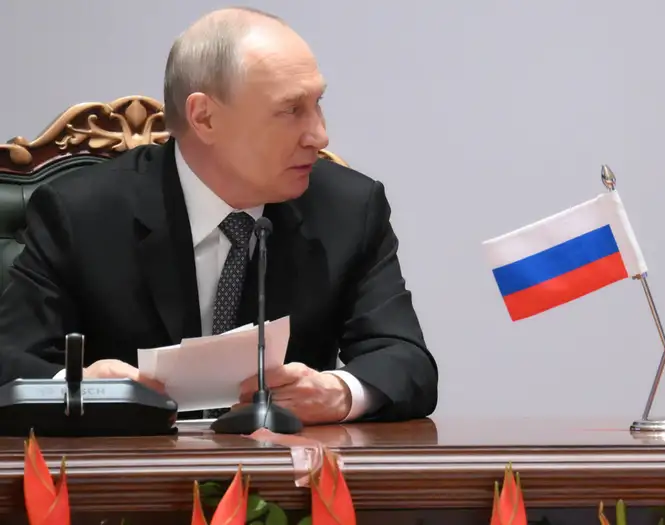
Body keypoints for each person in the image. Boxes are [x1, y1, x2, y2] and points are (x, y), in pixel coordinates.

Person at [0, 7, 437, 425]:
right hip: (128, 469)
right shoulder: (80, 213)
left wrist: (339, 392)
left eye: (317, 103)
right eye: (291, 110)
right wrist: (80, 386)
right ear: (204, 118)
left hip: (279, 467)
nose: (319, 135)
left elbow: (407, 361)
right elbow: (9, 360)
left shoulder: (349, 209)